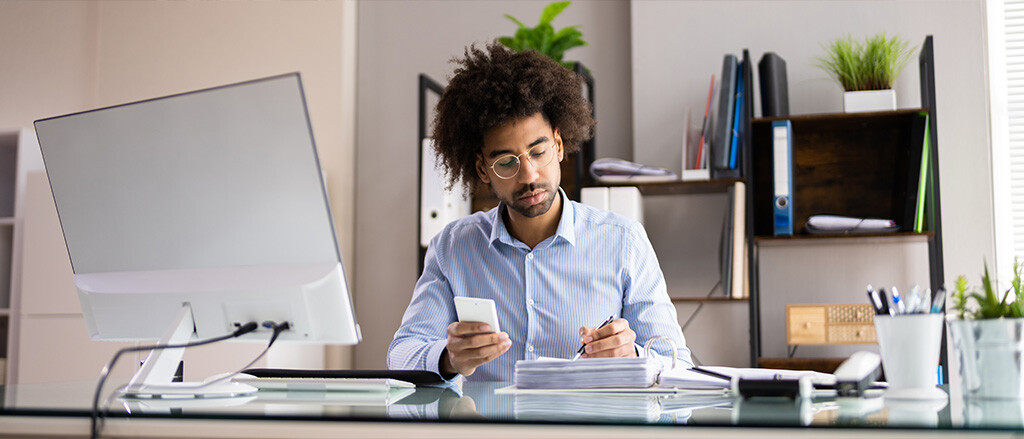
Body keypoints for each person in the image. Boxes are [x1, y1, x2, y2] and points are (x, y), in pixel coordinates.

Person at [388, 42, 692, 382]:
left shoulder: (624, 241)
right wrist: (448, 358)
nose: (529, 175)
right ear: (483, 169)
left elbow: (679, 363)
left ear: (559, 146)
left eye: (538, 151)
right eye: (506, 162)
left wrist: (633, 356)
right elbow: (402, 355)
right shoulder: (452, 247)